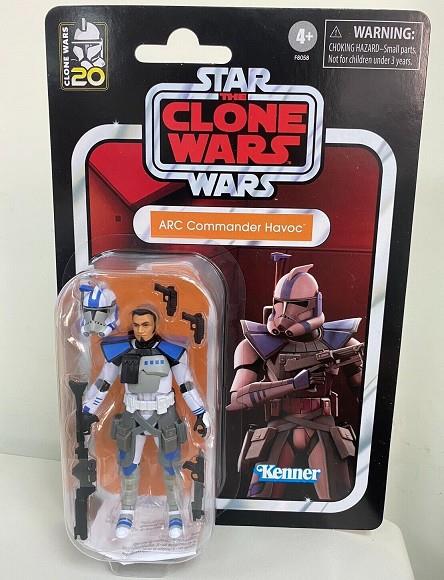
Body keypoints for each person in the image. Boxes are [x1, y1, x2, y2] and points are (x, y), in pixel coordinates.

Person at [83, 306, 209, 539]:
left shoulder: (171, 351)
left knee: (170, 465)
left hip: (164, 415)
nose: (140, 330)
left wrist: (200, 412)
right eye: (136, 325)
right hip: (133, 414)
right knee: (128, 465)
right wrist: (88, 408)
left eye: (146, 325)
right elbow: (103, 382)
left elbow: (186, 385)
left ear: (155, 324)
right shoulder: (120, 351)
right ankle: (127, 512)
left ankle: (174, 513)